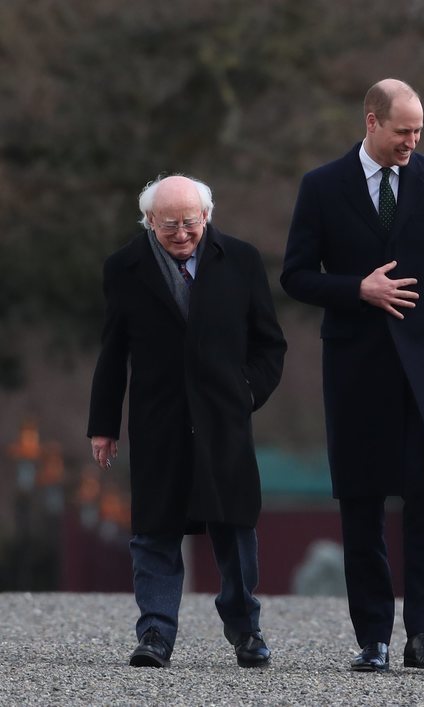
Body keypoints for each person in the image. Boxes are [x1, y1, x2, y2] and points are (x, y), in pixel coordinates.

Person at [281, 78, 424, 673]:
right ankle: (372, 636)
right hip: (355, 367)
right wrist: (357, 289)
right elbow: (295, 276)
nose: (413, 141)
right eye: (403, 131)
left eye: (419, 131)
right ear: (371, 122)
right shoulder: (321, 187)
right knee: (361, 503)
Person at [88, 174, 287, 668]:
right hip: (159, 421)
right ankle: (155, 633)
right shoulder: (124, 268)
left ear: (207, 217)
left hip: (224, 420)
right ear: (150, 222)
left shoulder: (240, 260)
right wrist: (103, 424)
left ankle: (246, 630)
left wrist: (245, 393)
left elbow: (270, 344)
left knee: (234, 527)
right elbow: (113, 353)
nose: (181, 234)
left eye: (190, 223)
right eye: (169, 225)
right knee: (154, 530)